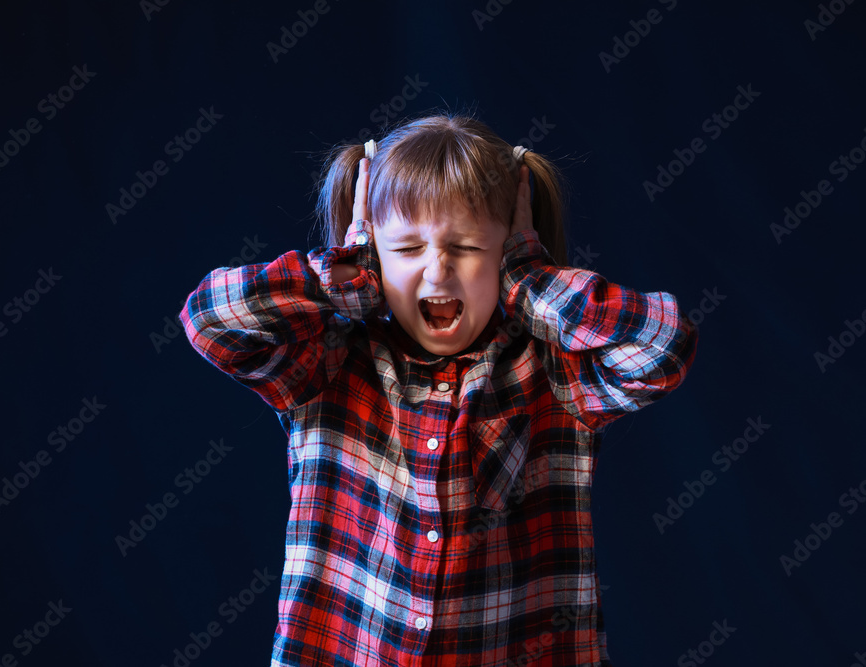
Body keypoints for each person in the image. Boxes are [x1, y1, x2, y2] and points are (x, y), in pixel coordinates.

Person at [179, 112, 698, 666]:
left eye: (470, 247)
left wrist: (528, 279)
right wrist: (349, 275)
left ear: (508, 250)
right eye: (406, 250)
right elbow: (211, 321)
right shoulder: (328, 362)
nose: (437, 270)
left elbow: (662, 347)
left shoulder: (553, 371)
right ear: (373, 252)